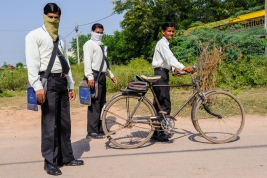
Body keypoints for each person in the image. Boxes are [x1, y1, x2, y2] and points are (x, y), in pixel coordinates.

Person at [25, 3, 83, 176]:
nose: (53, 20)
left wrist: (71, 85)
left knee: (65, 123)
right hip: (46, 82)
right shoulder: (34, 36)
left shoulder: (61, 39)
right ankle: (49, 161)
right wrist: (37, 86)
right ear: (45, 16)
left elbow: (66, 64)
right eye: (50, 17)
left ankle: (66, 157)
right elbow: (32, 63)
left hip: (61, 82)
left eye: (56, 17)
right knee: (50, 124)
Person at [151, 22, 193, 141]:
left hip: (161, 73)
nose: (171, 33)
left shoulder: (164, 43)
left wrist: (175, 69)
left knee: (158, 104)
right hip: (160, 74)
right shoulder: (162, 43)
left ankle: (156, 131)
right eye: (169, 31)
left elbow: (166, 61)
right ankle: (160, 133)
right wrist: (183, 66)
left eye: (173, 31)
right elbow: (169, 58)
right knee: (164, 104)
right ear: (163, 32)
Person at [83, 23, 117, 139]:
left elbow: (103, 64)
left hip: (102, 76)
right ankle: (92, 131)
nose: (99, 34)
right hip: (94, 76)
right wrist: (90, 77)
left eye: (101, 32)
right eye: (97, 32)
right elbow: (87, 62)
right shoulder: (89, 44)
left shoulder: (100, 46)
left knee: (102, 104)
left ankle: (101, 128)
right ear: (92, 32)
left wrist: (110, 75)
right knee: (94, 104)